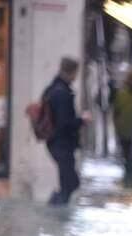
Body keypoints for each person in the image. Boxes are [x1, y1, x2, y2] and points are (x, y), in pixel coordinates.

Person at [42, 57, 91, 206]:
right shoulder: (62, 92)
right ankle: (54, 209)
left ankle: (57, 208)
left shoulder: (52, 88)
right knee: (70, 183)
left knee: (69, 182)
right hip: (61, 143)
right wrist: (82, 120)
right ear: (72, 72)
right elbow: (64, 123)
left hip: (55, 142)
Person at [111, 69, 132, 188]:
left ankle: (130, 179)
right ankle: (128, 179)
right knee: (127, 156)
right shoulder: (122, 93)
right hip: (125, 131)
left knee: (131, 157)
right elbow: (116, 111)